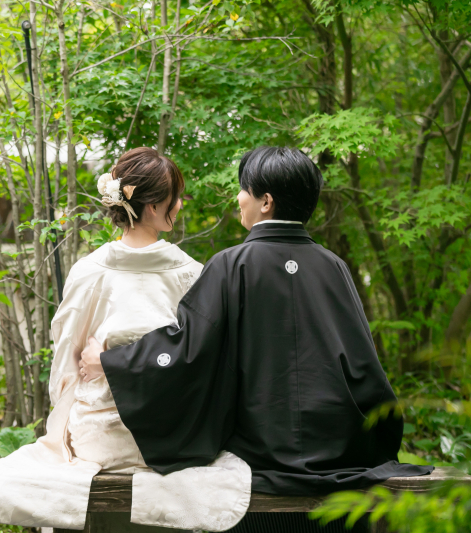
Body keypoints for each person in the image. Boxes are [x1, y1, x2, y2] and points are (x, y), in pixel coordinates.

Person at [79, 146, 433, 503]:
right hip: (344, 448)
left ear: (266, 202)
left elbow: (187, 352)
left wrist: (111, 362)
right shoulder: (334, 267)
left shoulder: (231, 265)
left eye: (244, 190)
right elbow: (362, 363)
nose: (239, 198)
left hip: (262, 452)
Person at [0, 147, 251, 532]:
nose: (180, 204)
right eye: (175, 197)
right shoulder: (193, 275)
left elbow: (65, 366)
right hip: (170, 438)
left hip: (99, 440)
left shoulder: (89, 271)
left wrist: (65, 429)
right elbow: (206, 365)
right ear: (152, 207)